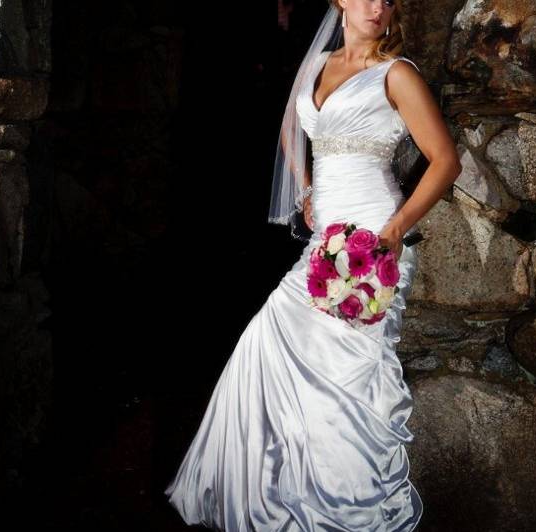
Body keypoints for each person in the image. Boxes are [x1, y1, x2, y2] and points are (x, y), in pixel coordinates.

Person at [164, 1, 461, 530]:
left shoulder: (396, 74)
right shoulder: (317, 65)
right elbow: (290, 124)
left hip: (373, 243)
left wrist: (393, 232)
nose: (378, 7)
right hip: (323, 242)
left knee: (344, 379)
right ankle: (285, 499)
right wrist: (305, 186)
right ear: (341, 0)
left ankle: (347, 511)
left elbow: (445, 160)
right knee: (265, 345)